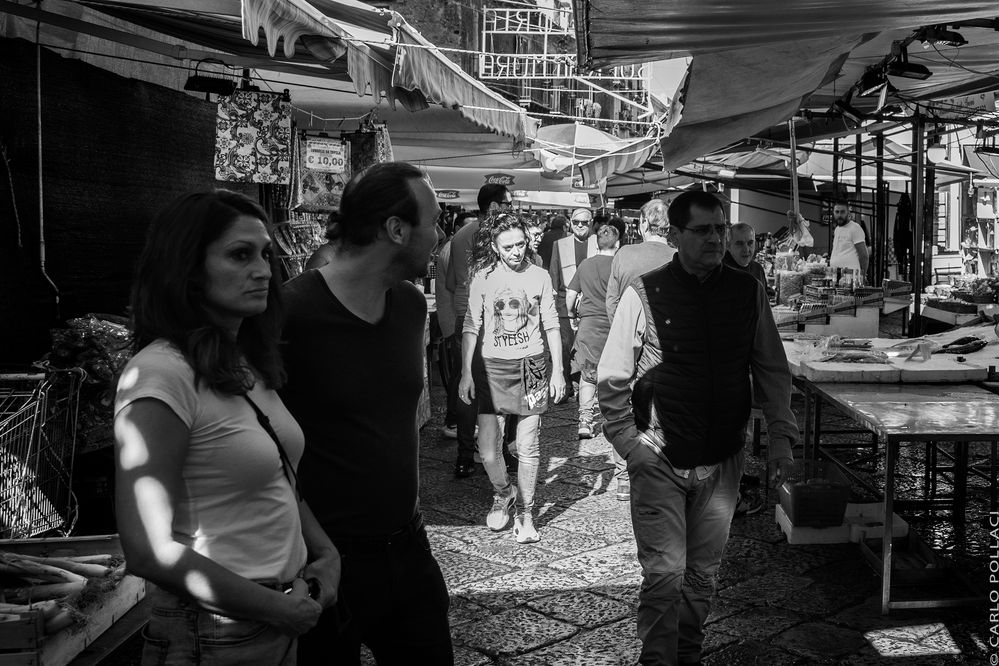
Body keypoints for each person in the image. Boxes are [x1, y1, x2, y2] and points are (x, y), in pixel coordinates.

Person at [114, 190, 340, 665]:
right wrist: (278, 608)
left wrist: (325, 554)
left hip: (275, 615)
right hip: (213, 631)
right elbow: (147, 549)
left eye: (264, 254)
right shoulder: (160, 374)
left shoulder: (243, 364)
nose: (263, 270)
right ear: (188, 270)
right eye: (240, 255)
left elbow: (276, 478)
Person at [597, 190, 797, 666]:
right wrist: (629, 443)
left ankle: (688, 654)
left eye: (720, 228)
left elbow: (771, 368)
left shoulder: (747, 290)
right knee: (665, 575)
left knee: (703, 575)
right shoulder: (643, 292)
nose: (715, 239)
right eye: (703, 230)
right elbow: (612, 375)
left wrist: (781, 440)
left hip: (724, 458)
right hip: (660, 455)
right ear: (674, 235)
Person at [280, 162, 453, 664]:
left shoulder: (410, 306)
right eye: (434, 220)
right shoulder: (290, 314)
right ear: (397, 230)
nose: (439, 234)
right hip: (324, 560)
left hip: (407, 547)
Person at [459, 213, 564, 544]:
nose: (516, 252)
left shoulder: (541, 276)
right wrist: (465, 372)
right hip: (491, 368)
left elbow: (551, 324)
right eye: (508, 247)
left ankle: (525, 513)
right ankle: (503, 492)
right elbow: (471, 326)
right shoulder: (483, 278)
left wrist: (558, 369)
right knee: (489, 451)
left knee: (529, 444)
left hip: (532, 367)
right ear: (495, 246)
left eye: (521, 244)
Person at [444, 185, 516, 477]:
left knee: (467, 389)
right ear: (495, 206)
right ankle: (498, 453)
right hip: (495, 320)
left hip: (467, 319)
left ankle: (464, 457)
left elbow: (450, 282)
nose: (512, 208)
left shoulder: (460, 236)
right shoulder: (500, 236)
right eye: (508, 204)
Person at [566, 222, 618, 443]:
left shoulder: (585, 265)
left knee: (588, 376)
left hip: (588, 327)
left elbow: (570, 294)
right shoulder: (619, 265)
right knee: (615, 376)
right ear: (618, 243)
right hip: (614, 327)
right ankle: (614, 419)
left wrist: (571, 316)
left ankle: (585, 421)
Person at [549, 208, 599, 397]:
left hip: (591, 303)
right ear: (570, 222)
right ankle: (567, 383)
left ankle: (585, 384)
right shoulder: (559, 244)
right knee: (565, 345)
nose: (579, 225)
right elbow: (554, 274)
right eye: (576, 221)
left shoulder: (598, 242)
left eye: (584, 222)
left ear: (591, 223)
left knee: (587, 347)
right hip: (564, 304)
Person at [605, 198, 676, 319]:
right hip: (668, 333)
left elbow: (611, 303)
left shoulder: (624, 254)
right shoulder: (680, 257)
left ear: (645, 224)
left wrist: (622, 331)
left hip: (629, 331)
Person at [723, 222, 775, 300]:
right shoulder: (721, 271)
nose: (746, 249)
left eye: (750, 243)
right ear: (728, 246)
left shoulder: (758, 269)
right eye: (740, 244)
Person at [828, 199, 869, 279]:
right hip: (836, 276)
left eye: (842, 212)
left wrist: (862, 277)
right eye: (837, 212)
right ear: (833, 213)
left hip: (851, 279)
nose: (839, 215)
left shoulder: (855, 228)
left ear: (848, 213)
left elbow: (864, 256)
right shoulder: (837, 229)